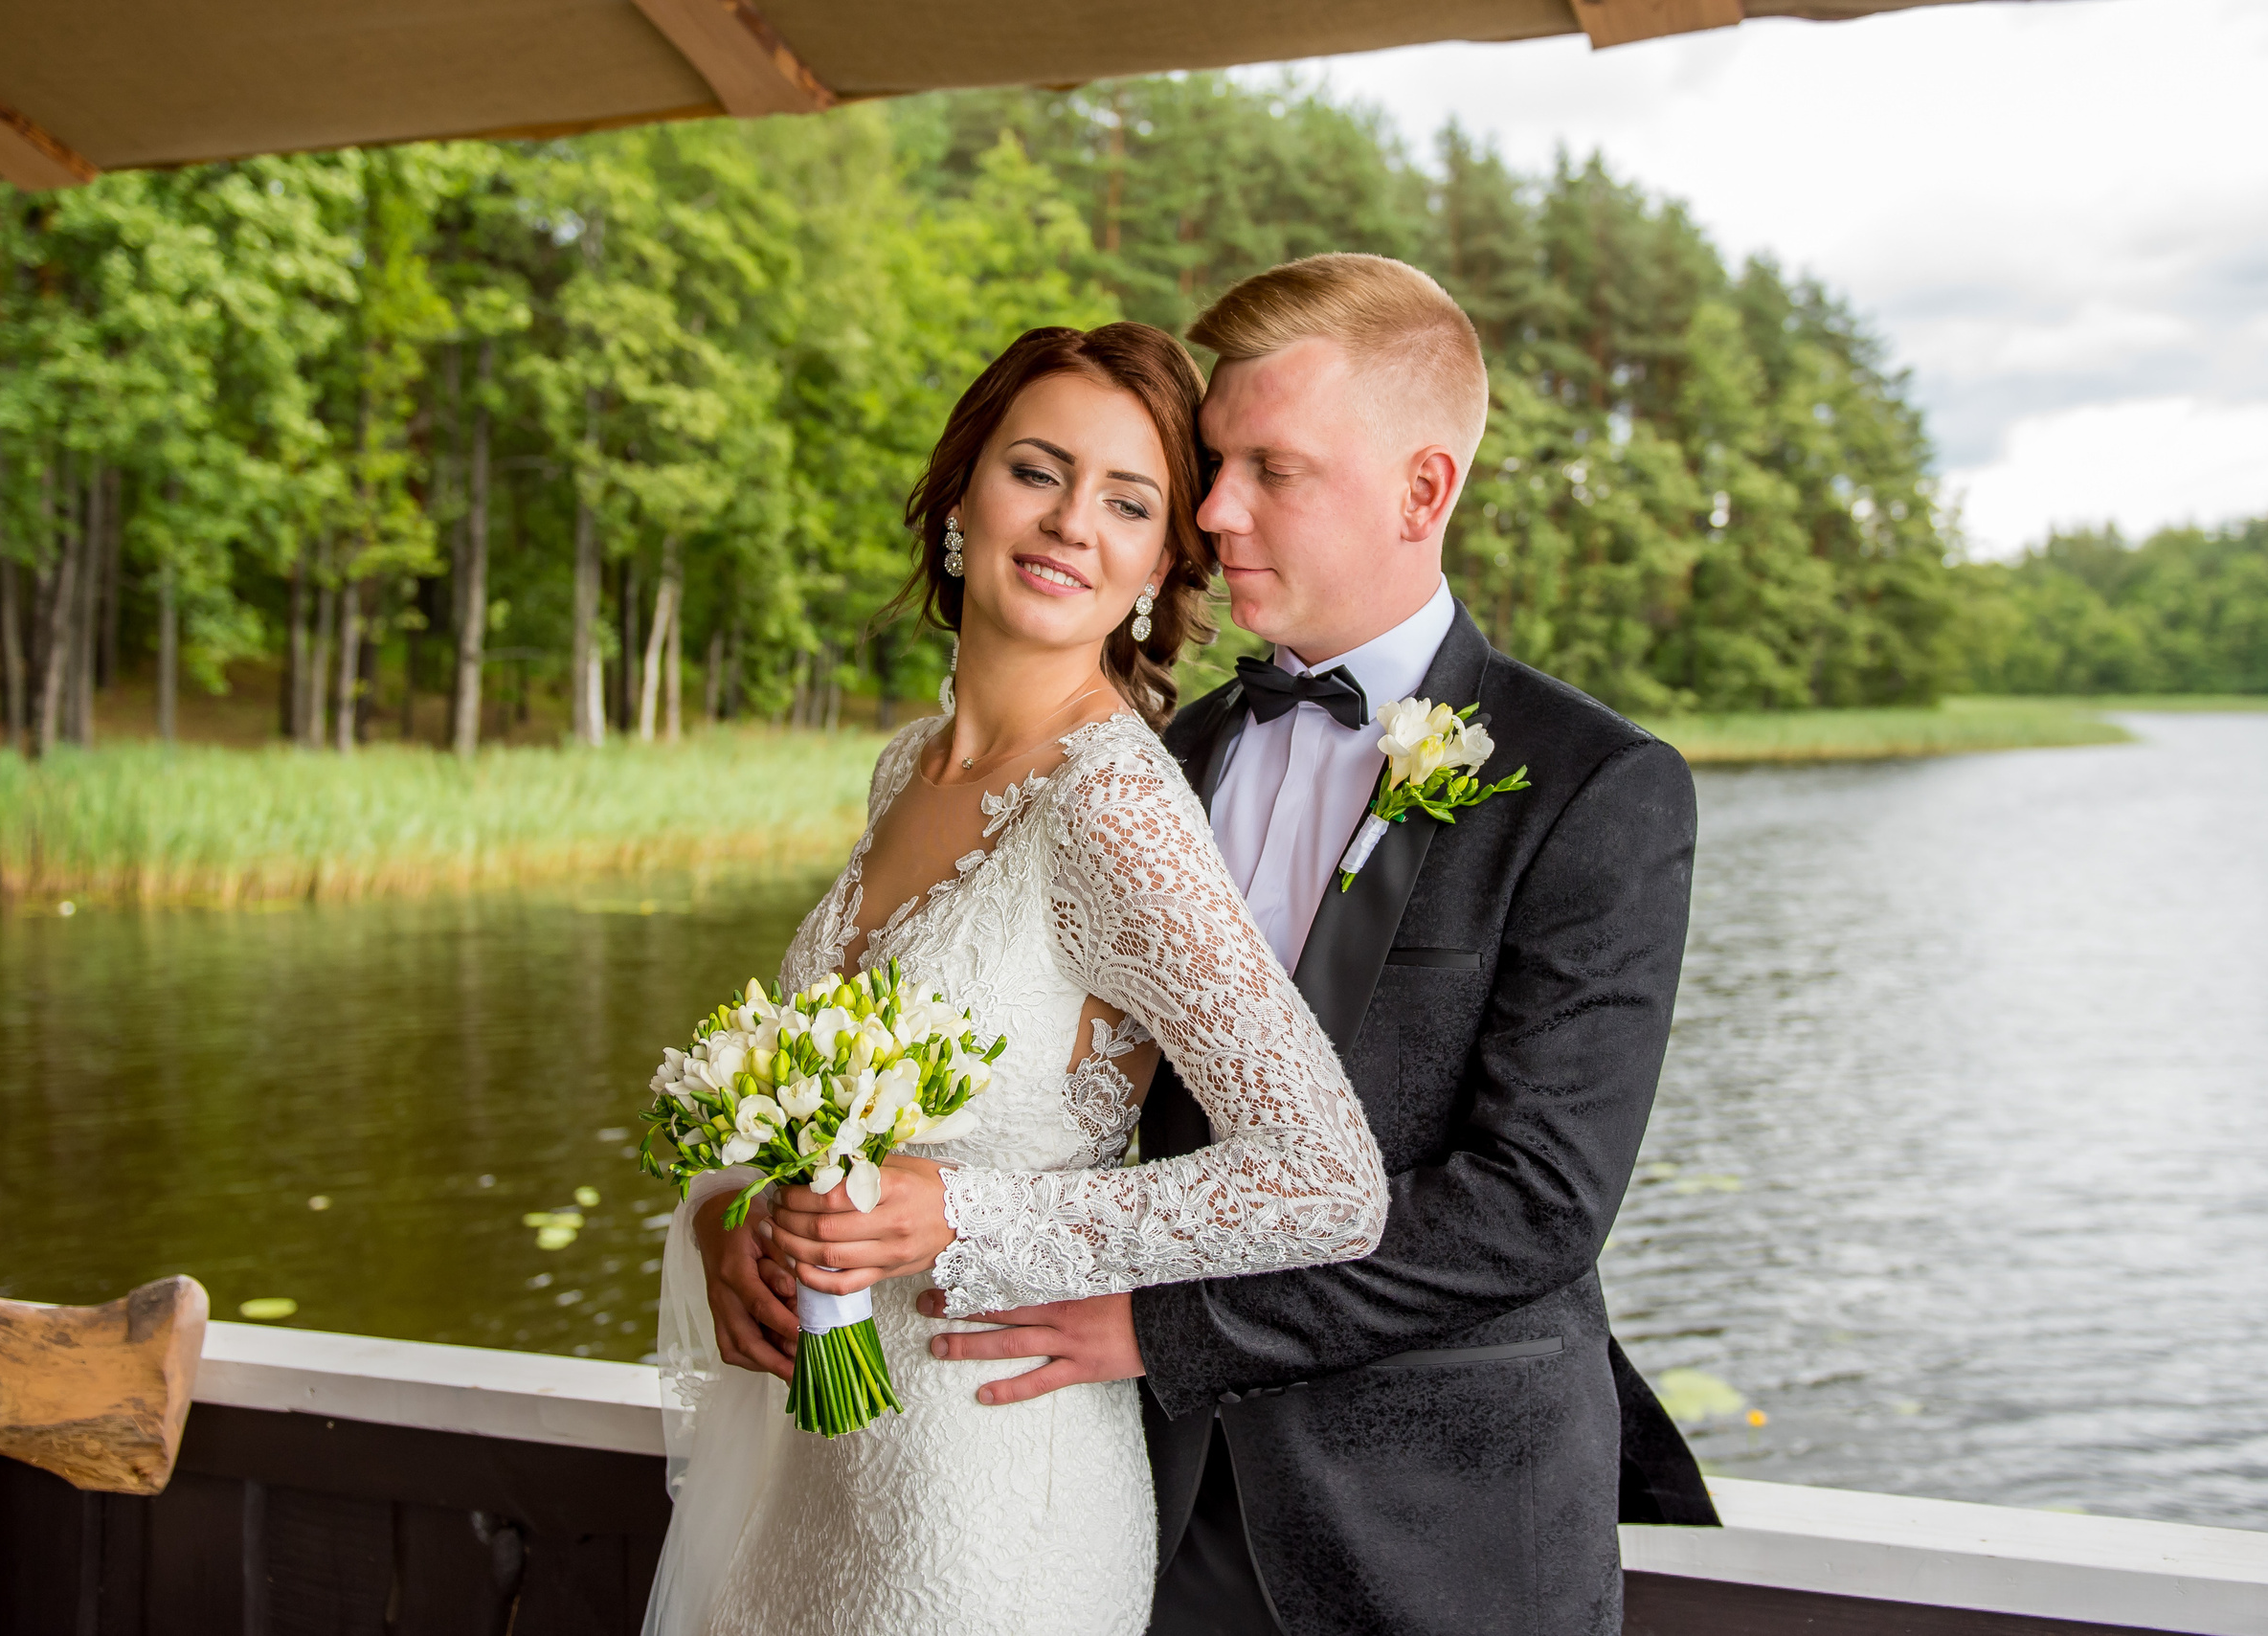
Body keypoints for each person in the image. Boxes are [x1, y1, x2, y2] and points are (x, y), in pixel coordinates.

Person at [915, 255, 1716, 1636]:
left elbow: (1531, 1203)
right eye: (1215, 463)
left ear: (1424, 491)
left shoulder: (1596, 786)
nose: (1213, 512)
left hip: (1436, 1536)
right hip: (1134, 1505)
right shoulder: (1162, 755)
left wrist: (1165, 1327)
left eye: (1272, 471)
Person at [644, 321, 1388, 1636]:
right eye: (1036, 471)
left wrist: (971, 1219)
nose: (1069, 524)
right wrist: (737, 1215)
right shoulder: (905, 768)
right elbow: (839, 1122)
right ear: (960, 495)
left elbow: (1326, 1174)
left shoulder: (1116, 804)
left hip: (992, 1485)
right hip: (824, 1467)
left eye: (1128, 500)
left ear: (1164, 562)